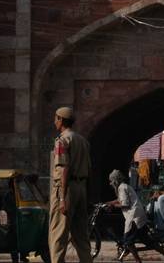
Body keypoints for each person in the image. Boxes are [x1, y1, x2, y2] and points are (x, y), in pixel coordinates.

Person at [48, 106, 93, 263]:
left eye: (55, 119)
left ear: (60, 120)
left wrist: (61, 198)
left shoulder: (62, 140)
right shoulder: (83, 141)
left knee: (58, 234)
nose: (54, 122)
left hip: (66, 188)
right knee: (81, 236)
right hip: (81, 188)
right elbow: (88, 168)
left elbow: (64, 168)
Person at [107, 169, 148, 263]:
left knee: (128, 241)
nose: (110, 184)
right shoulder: (124, 186)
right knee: (147, 240)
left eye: (111, 181)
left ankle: (138, 261)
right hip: (139, 215)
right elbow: (119, 200)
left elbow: (125, 204)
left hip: (134, 217)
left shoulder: (121, 188)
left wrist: (112, 205)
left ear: (115, 181)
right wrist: (108, 203)